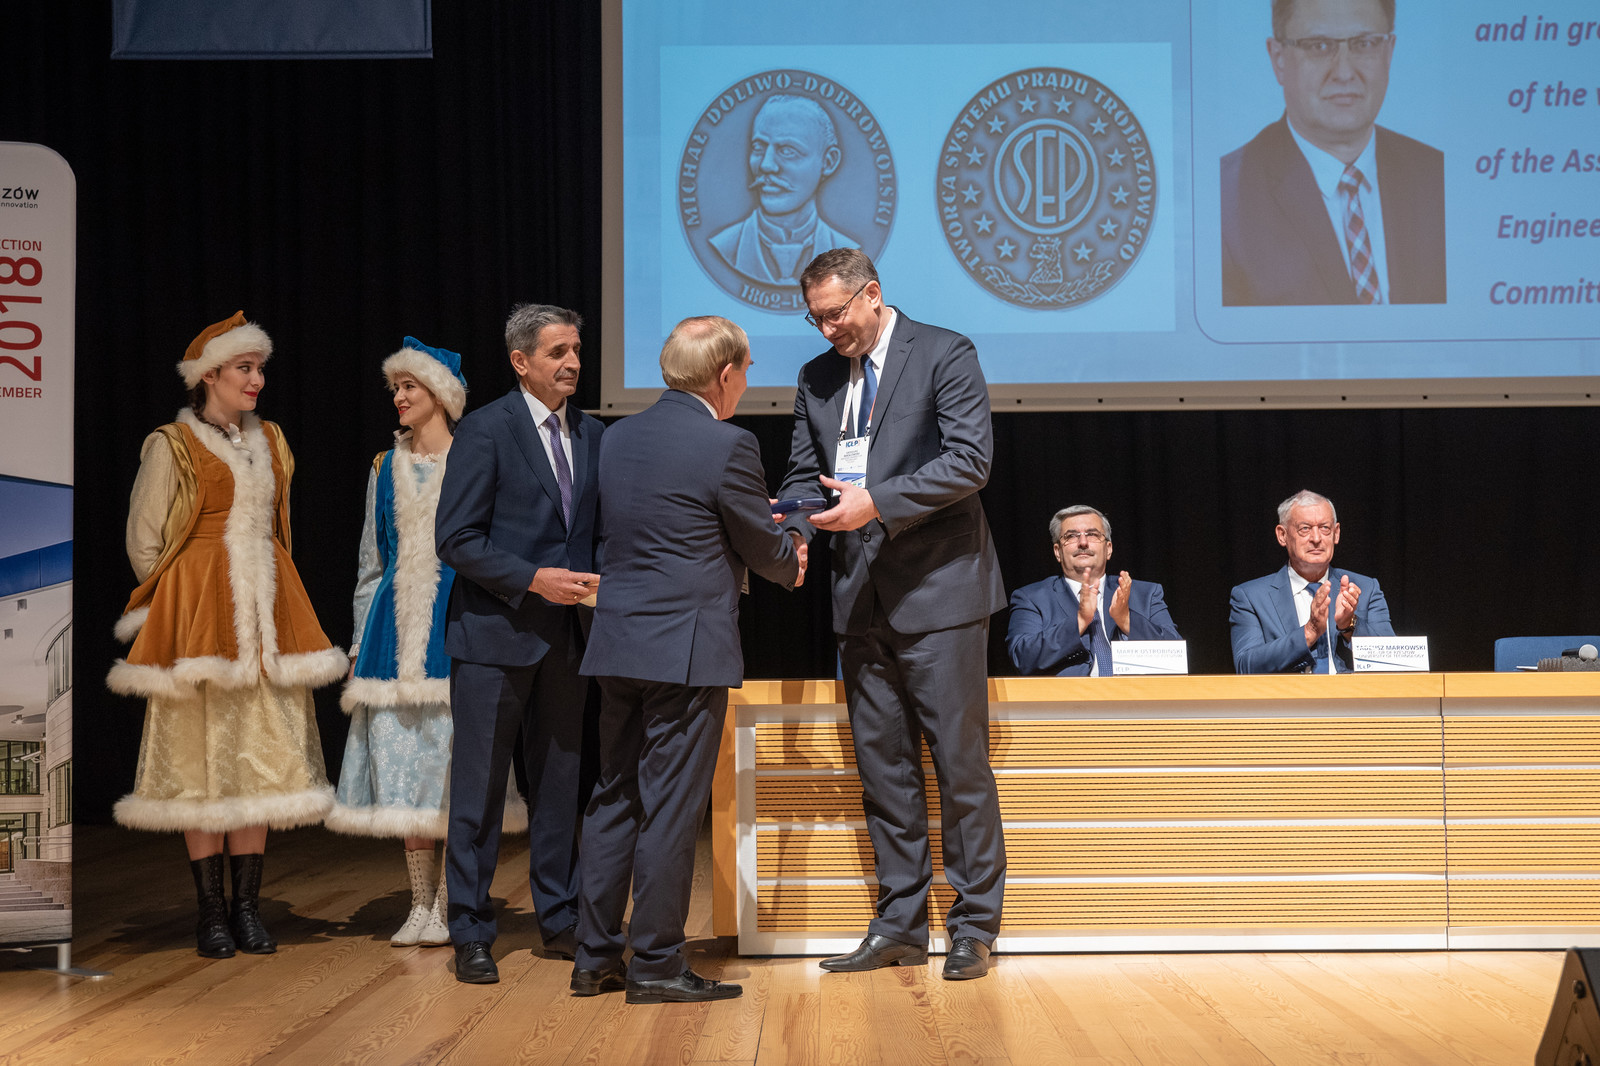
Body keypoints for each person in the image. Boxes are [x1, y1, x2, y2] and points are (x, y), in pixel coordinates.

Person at [777, 248, 1007, 981]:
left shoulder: (943, 352)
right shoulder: (816, 378)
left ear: (872, 294)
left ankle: (974, 927)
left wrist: (876, 501)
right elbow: (801, 473)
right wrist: (794, 527)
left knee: (959, 766)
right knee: (884, 770)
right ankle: (900, 924)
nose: (828, 330)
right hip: (859, 597)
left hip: (940, 593)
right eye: (815, 318)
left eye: (836, 314)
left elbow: (969, 462)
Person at [571, 316, 801, 1004]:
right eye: (747, 372)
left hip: (618, 639)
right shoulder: (729, 443)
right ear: (724, 374)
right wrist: (792, 545)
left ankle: (594, 957)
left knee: (614, 795)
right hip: (687, 649)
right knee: (670, 807)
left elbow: (663, 524)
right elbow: (763, 549)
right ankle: (656, 963)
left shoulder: (617, 437)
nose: (747, 385)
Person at [107, 311, 347, 958]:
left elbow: (279, 525)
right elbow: (144, 540)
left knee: (257, 762)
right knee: (202, 764)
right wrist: (183, 601)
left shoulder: (271, 440)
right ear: (209, 374)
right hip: (200, 620)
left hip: (266, 617)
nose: (257, 379)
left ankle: (247, 908)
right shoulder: (173, 445)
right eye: (245, 368)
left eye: (260, 368)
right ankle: (210, 912)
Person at [328, 337, 517, 948]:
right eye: (396, 388)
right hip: (392, 635)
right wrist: (358, 642)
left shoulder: (474, 457)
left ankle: (456, 902)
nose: (399, 398)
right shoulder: (384, 468)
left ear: (440, 392)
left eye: (409, 386)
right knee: (406, 775)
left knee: (453, 771)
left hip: (456, 621)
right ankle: (420, 902)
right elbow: (371, 563)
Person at [433, 304, 603, 984]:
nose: (573, 363)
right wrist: (533, 579)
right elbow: (456, 538)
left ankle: (559, 918)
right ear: (520, 360)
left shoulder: (591, 433)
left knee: (560, 786)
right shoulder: (485, 430)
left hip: (568, 639)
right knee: (478, 791)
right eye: (558, 351)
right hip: (493, 636)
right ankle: (471, 929)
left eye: (576, 350)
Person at [1220, 0, 1445, 306]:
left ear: (1389, 52)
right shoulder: (1223, 202)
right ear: (1278, 59)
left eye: (1364, 44)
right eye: (1319, 46)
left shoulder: (1438, 178)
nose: (1344, 73)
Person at [1230, 489, 1394, 673]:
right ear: (1282, 535)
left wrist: (1349, 624)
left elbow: (1393, 662)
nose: (1316, 539)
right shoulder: (1251, 597)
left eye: (1325, 528)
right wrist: (1309, 632)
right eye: (1305, 529)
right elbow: (1246, 665)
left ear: (1336, 533)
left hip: (1352, 691)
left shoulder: (1366, 588)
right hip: (1288, 692)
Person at [1006, 505, 1181, 676]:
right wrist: (1079, 621)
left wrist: (1127, 620)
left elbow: (1176, 657)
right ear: (1058, 552)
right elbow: (1022, 659)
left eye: (1092, 534)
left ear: (1108, 549)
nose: (1083, 543)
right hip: (1068, 694)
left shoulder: (1146, 594)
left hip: (1135, 693)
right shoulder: (1031, 598)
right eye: (1071, 536)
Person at [710, 94, 857, 286]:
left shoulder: (849, 250)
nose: (766, 165)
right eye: (759, 147)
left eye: (788, 151)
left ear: (828, 161)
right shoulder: (723, 246)